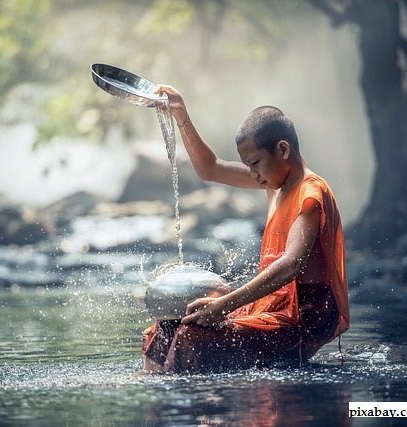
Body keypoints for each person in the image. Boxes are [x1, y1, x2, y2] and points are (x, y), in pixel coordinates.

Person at [142, 85, 350, 374]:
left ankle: (201, 412)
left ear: (283, 149)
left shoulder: (309, 192)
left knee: (191, 336)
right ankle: (152, 397)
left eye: (255, 164)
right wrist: (181, 115)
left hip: (298, 322)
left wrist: (224, 305)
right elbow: (210, 168)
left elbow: (292, 264)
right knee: (165, 327)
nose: (253, 175)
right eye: (247, 166)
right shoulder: (274, 182)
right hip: (268, 309)